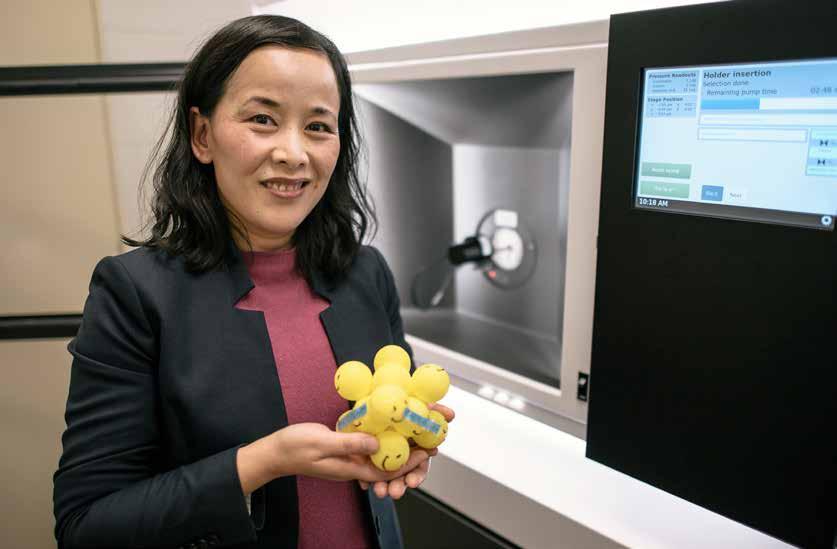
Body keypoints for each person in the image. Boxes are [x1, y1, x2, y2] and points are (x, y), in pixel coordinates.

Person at [53, 15, 454, 549]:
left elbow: (390, 411)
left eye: (318, 126)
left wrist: (410, 441)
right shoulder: (135, 294)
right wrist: (263, 462)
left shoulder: (366, 273)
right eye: (263, 119)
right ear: (202, 135)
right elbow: (87, 525)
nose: (294, 153)